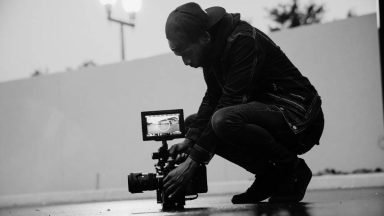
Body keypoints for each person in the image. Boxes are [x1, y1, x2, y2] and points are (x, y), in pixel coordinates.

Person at [163, 2, 324, 203]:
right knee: (194, 124)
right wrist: (190, 140)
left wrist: (192, 162)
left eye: (186, 52)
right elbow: (213, 96)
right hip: (268, 112)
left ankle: (293, 169)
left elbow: (229, 100)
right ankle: (269, 176)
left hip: (299, 115)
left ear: (204, 37)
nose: (185, 61)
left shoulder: (243, 41)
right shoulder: (212, 48)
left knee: (223, 120)